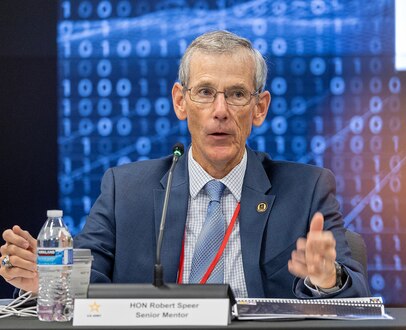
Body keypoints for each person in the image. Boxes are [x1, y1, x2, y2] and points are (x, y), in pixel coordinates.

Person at [0, 30, 369, 301]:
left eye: (237, 94)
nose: (220, 111)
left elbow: (356, 292)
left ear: (260, 108)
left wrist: (327, 279)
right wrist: (49, 278)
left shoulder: (306, 190)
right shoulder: (126, 189)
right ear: (181, 102)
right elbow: (90, 273)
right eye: (205, 92)